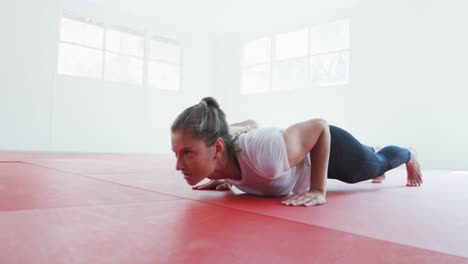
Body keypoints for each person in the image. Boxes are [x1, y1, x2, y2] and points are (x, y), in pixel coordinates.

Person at [171, 97, 423, 207]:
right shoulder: (224, 147)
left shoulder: (266, 154)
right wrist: (223, 172)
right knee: (372, 161)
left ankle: (409, 153)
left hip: (329, 147)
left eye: (188, 153)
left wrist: (317, 190)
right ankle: (372, 149)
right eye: (176, 154)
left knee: (375, 166)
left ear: (217, 148)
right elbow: (249, 123)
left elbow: (319, 127)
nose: (178, 166)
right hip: (298, 157)